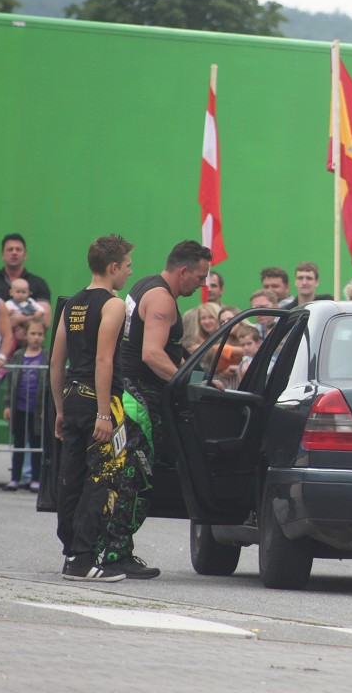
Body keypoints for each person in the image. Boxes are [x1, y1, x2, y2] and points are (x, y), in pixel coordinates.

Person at [113, 240, 212, 579]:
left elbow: (165, 349)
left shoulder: (145, 287)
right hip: (138, 398)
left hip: (127, 392)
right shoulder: (162, 299)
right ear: (182, 271)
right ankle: (115, 553)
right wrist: (190, 385)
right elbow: (152, 354)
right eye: (199, 277)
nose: (201, 284)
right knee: (133, 478)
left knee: (127, 475)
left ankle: (114, 550)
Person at [49, 234, 135, 582]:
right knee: (101, 477)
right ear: (113, 267)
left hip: (71, 396)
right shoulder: (112, 304)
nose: (130, 272)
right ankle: (84, 558)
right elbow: (104, 359)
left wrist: (59, 408)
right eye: (128, 266)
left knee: (71, 477)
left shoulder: (72, 304)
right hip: (100, 400)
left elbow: (56, 362)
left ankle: (71, 551)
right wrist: (103, 411)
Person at [2, 319, 48, 492]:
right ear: (26, 335)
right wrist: (7, 405)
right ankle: (15, 478)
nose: (36, 338)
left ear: (44, 336)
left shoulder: (46, 356)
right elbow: (11, 382)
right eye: (33, 334)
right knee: (18, 444)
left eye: (40, 334)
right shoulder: (18, 356)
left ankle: (36, 479)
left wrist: (46, 408)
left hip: (37, 410)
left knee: (36, 445)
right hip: (19, 408)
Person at [0, 233, 52, 326]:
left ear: (25, 254)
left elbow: (44, 322)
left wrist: (14, 320)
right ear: (2, 254)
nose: (14, 252)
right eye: (10, 249)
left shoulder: (39, 284)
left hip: (26, 340)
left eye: (18, 249)